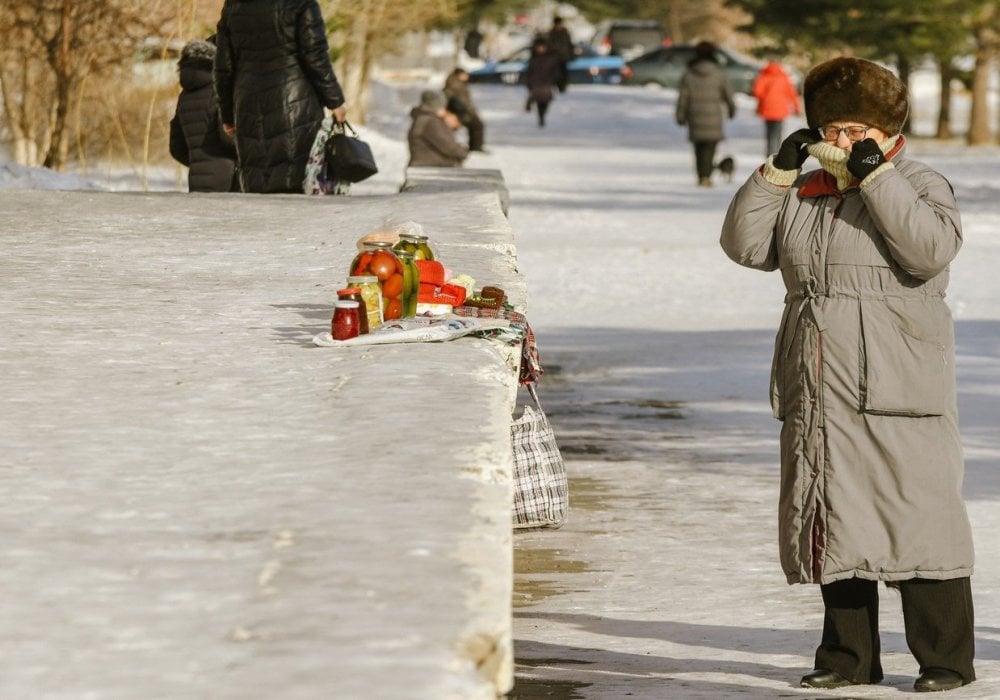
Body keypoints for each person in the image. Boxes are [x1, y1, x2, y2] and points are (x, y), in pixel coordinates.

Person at [720, 57, 975, 694]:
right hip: (819, 378)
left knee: (920, 519)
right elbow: (746, 246)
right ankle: (846, 660)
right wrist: (778, 173)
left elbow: (930, 251)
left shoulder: (920, 182)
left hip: (897, 381)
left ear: (887, 131)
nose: (841, 143)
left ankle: (945, 662)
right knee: (832, 515)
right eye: (831, 130)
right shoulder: (806, 192)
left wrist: (878, 179)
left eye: (855, 129)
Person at [213, 0, 346, 194]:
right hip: (296, 106)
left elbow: (224, 67)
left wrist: (226, 114)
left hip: (249, 106)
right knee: (299, 186)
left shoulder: (234, 5)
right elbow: (315, 56)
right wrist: (335, 101)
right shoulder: (302, 3)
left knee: (257, 188)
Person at [168, 38, 238, 192]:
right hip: (228, 178)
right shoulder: (220, 92)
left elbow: (176, 146)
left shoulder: (184, 96)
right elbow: (226, 136)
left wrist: (199, 162)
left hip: (196, 181)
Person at [676, 41, 735, 187]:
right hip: (713, 116)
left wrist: (680, 115)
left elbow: (683, 97)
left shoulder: (688, 74)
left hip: (695, 116)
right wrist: (732, 108)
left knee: (698, 148)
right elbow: (728, 94)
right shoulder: (719, 74)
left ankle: (702, 175)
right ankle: (706, 176)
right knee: (710, 147)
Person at [752, 59, 801, 158]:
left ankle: (769, 153)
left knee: (770, 133)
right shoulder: (783, 77)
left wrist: (765, 98)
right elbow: (792, 94)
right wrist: (797, 107)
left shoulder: (764, 76)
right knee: (778, 132)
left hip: (767, 110)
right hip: (780, 111)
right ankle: (777, 153)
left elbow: (757, 92)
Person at [407, 90, 468, 168]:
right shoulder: (430, 122)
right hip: (431, 167)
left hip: (427, 166)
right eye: (442, 106)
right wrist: (463, 152)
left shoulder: (425, 119)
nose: (444, 109)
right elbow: (447, 145)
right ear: (436, 106)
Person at [443, 68, 486, 152]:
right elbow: (459, 101)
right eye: (464, 74)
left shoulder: (458, 84)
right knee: (477, 125)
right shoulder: (455, 85)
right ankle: (475, 147)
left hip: (463, 111)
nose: (467, 76)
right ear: (459, 75)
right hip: (459, 112)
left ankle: (475, 146)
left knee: (476, 124)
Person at [524, 37, 561, 128]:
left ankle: (540, 113)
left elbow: (555, 70)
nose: (540, 49)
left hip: (547, 82)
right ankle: (540, 116)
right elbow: (529, 71)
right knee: (539, 99)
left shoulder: (551, 58)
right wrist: (528, 82)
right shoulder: (534, 59)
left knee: (545, 101)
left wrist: (556, 80)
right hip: (536, 82)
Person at [547, 16, 574, 93]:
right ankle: (556, 85)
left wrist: (571, 54)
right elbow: (550, 44)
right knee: (556, 72)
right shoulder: (552, 33)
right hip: (554, 56)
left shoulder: (565, 32)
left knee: (563, 72)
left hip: (564, 57)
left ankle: (563, 86)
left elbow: (569, 44)